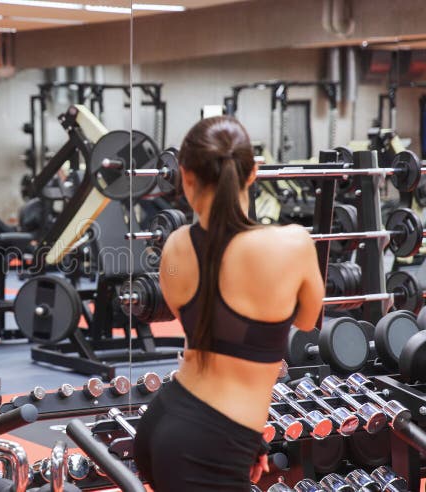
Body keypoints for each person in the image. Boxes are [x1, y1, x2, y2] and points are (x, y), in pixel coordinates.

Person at [133, 116, 325, 491]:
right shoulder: (294, 244)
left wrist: (252, 438)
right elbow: (306, 320)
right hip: (209, 447)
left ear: (185, 177)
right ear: (254, 173)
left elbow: (208, 334)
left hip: (167, 421)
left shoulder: (175, 246)